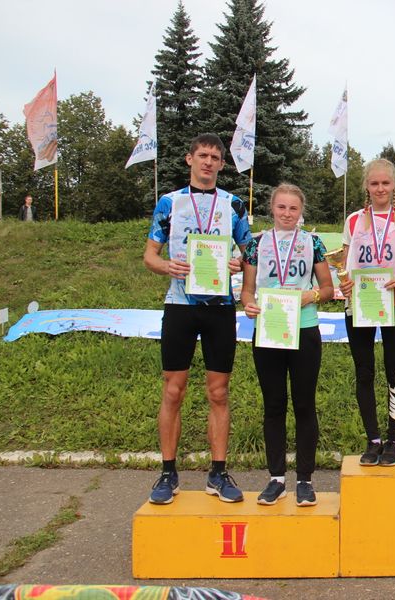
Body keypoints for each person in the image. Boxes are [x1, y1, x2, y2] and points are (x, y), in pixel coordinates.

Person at [143, 133, 252, 505]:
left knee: (218, 392)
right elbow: (150, 256)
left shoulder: (233, 204)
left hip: (220, 308)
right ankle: (168, 473)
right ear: (190, 159)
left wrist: (239, 263)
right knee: (173, 390)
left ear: (222, 164)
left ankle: (218, 473)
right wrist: (167, 266)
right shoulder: (169, 203)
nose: (208, 162)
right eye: (202, 155)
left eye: (215, 157)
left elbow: (250, 252)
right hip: (180, 305)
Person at [241, 184, 333, 506]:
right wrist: (248, 304)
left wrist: (311, 295)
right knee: (274, 405)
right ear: (272, 208)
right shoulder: (256, 245)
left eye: (293, 208)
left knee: (304, 405)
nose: (287, 213)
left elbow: (328, 288)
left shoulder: (313, 243)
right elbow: (247, 290)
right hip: (269, 331)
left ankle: (305, 480)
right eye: (281, 207)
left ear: (301, 211)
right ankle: (276, 479)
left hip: (304, 329)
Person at [339, 159, 395, 467]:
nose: (380, 188)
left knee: (394, 368)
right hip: (359, 303)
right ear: (366, 186)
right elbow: (344, 265)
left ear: (394, 185)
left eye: (385, 183)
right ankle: (373, 439)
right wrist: (344, 282)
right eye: (374, 183)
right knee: (364, 370)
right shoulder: (353, 221)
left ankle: (393, 439)